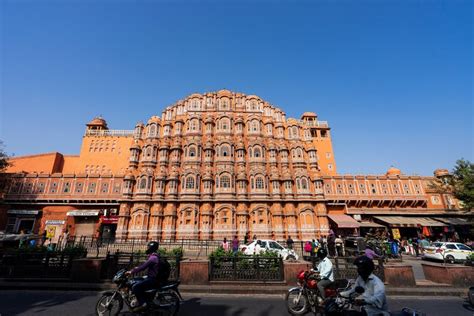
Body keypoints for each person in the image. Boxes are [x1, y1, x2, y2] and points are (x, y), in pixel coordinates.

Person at [126, 241, 161, 312]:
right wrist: (135, 268)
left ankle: (143, 304)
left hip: (152, 279)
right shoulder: (153, 256)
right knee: (136, 279)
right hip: (151, 277)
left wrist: (131, 272)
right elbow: (143, 266)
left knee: (135, 286)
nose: (147, 248)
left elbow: (143, 267)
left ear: (151, 248)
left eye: (148, 247)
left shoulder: (153, 258)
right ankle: (141, 299)